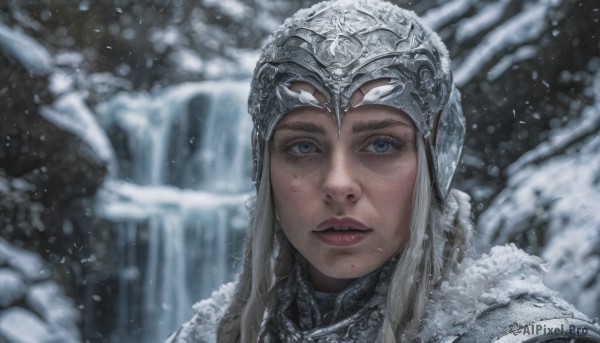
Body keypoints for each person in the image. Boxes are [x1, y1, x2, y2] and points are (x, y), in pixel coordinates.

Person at [166, 0, 600, 342]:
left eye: (380, 144)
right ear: (265, 168)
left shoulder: (523, 335)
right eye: (302, 146)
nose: (338, 184)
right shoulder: (211, 334)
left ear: (436, 161)